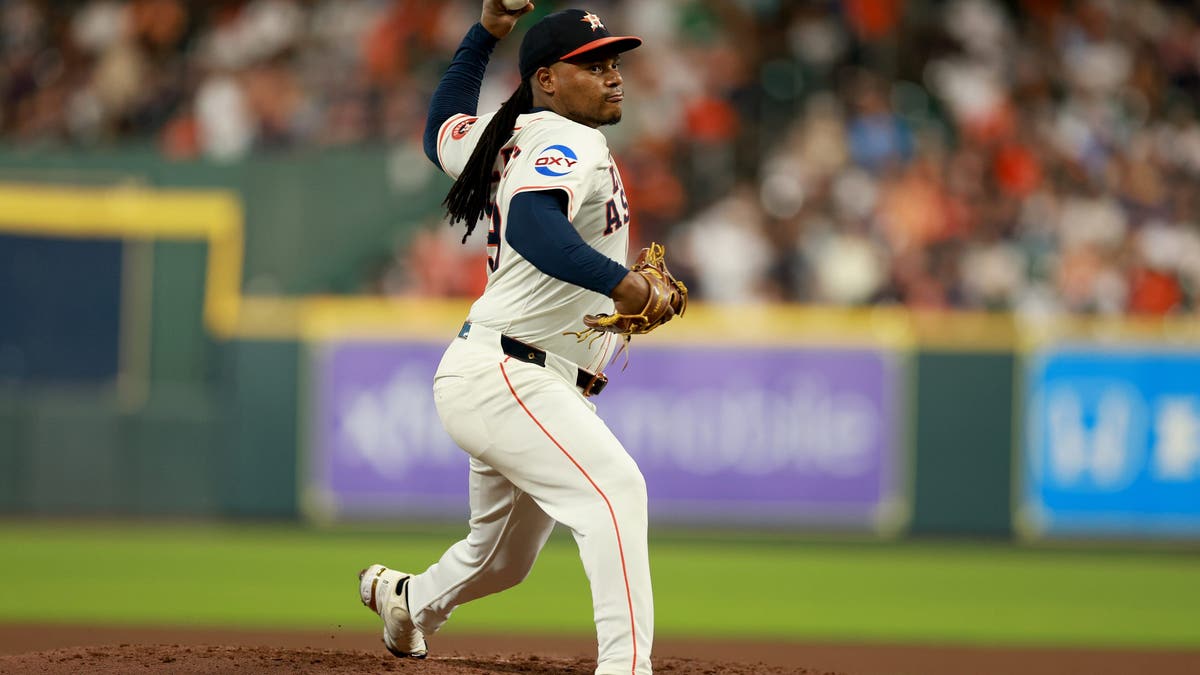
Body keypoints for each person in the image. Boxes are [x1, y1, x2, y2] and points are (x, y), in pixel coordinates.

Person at [358, 3, 676, 674]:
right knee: (616, 490)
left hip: (509, 372)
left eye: (613, 62)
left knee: (502, 560)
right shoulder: (570, 140)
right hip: (510, 372)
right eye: (592, 65)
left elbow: (439, 130)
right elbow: (533, 225)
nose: (613, 75)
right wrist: (622, 284)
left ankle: (407, 601)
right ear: (547, 80)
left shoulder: (506, 133)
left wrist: (485, 35)